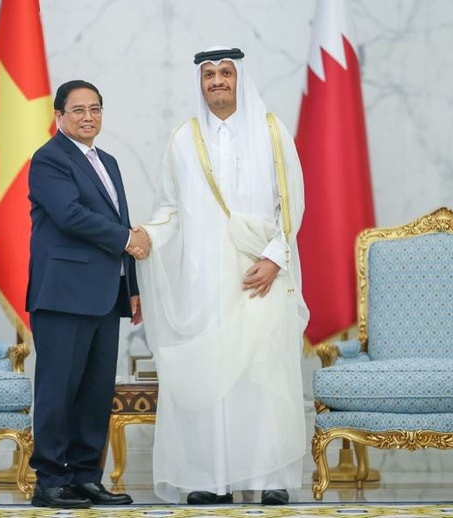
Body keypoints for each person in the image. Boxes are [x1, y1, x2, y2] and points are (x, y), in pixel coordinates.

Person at [136, 47, 309, 505]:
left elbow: (291, 205)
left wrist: (274, 259)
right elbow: (169, 210)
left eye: (225, 73)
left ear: (238, 79)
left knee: (262, 374)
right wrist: (146, 237)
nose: (217, 81)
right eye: (209, 74)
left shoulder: (272, 132)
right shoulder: (182, 140)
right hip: (205, 282)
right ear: (200, 82)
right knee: (214, 379)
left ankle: (270, 478)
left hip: (260, 278)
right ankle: (211, 480)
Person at [26, 79, 150, 509]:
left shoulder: (109, 161)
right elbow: (71, 216)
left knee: (96, 391)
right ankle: (49, 480)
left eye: (94, 108)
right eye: (77, 110)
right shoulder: (48, 160)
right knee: (59, 389)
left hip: (104, 294)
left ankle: (85, 476)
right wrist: (127, 240)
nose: (87, 117)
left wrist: (130, 287)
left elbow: (122, 220)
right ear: (58, 116)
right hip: (62, 295)